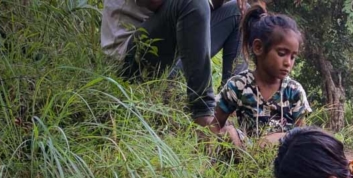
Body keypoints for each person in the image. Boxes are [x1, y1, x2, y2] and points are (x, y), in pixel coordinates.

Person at [101, 0, 246, 127]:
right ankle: (203, 113)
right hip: (129, 58)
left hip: (170, 57)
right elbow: (154, 1)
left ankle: (228, 106)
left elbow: (211, 7)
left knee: (239, 11)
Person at [211, 5, 311, 146]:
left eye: (293, 57)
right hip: (244, 156)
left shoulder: (294, 91)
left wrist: (276, 139)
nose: (288, 62)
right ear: (258, 47)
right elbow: (214, 123)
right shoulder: (238, 85)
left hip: (282, 158)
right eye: (282, 54)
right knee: (229, 133)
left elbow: (302, 137)